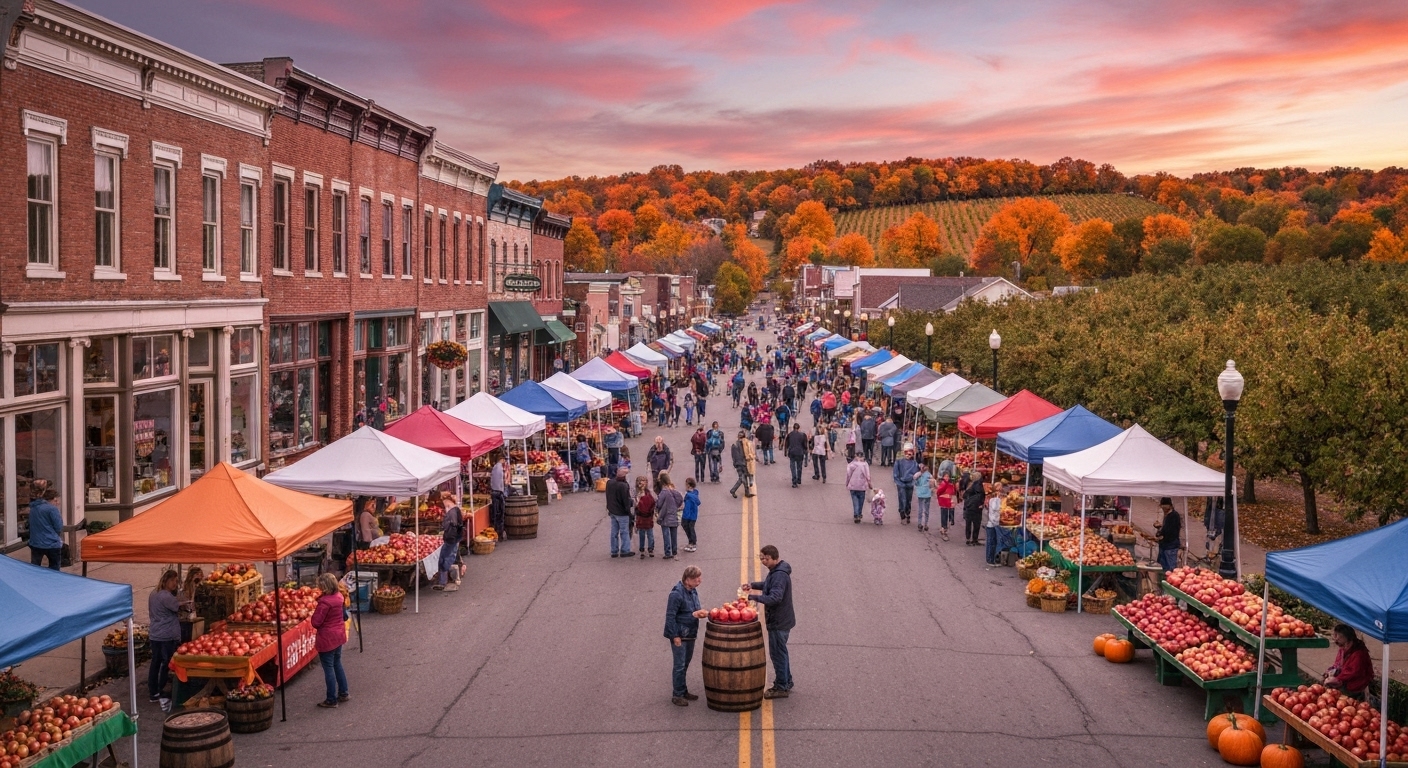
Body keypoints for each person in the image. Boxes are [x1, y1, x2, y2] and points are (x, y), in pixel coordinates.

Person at [743, 545, 794, 699]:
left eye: (765, 558)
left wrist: (753, 597)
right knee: (781, 652)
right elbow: (768, 585)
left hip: (779, 622)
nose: (763, 561)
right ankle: (787, 681)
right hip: (782, 620)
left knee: (778, 654)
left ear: (774, 557)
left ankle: (781, 686)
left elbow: (775, 597)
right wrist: (753, 586)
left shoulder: (779, 575)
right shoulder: (777, 572)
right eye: (761, 558)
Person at [665, 566, 710, 706]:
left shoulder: (692, 591)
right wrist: (675, 636)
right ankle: (677, 694)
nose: (700, 581)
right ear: (688, 579)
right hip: (680, 635)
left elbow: (694, 609)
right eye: (697, 579)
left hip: (690, 633)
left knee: (685, 663)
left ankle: (683, 690)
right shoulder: (676, 594)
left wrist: (699, 613)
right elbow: (670, 616)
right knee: (679, 665)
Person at [311, 573, 350, 708]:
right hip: (338, 635)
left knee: (328, 668)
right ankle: (344, 693)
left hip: (327, 638)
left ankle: (331, 699)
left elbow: (316, 622)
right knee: (337, 663)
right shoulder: (340, 597)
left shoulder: (324, 602)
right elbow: (345, 616)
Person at [148, 569, 182, 711]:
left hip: (155, 634)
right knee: (167, 664)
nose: (176, 584)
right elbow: (177, 607)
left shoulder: (153, 594)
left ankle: (153, 692)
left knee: (155, 663)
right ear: (167, 581)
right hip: (166, 635)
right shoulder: (166, 596)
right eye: (174, 581)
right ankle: (162, 690)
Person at [1324, 624, 1373, 699]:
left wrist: (1338, 679)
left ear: (1345, 637)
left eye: (1337, 635)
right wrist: (1331, 671)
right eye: (1335, 635)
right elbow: (1338, 664)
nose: (1335, 639)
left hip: (1356, 684)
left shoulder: (1359, 653)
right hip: (1345, 680)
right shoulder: (1343, 648)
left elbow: (1352, 671)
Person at [27, 487, 63, 570]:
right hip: (51, 543)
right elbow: (58, 526)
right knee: (54, 568)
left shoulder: (33, 508)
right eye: (56, 500)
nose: (58, 503)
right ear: (53, 499)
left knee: (35, 567)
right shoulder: (52, 509)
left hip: (35, 542)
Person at [434, 495, 464, 591]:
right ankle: (447, 580)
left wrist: (449, 539)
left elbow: (452, 527)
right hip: (454, 539)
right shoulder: (455, 511)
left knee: (445, 559)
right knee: (448, 558)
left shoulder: (452, 513)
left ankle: (445, 582)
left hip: (451, 539)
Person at [606, 467, 635, 558]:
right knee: (624, 532)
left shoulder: (609, 483)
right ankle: (625, 550)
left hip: (612, 511)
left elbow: (608, 496)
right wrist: (630, 511)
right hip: (622, 513)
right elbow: (626, 501)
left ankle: (614, 551)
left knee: (614, 532)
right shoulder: (623, 486)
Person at [656, 473, 684, 560]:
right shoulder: (674, 491)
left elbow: (659, 503)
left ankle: (668, 552)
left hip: (665, 516)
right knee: (674, 534)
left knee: (666, 535)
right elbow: (680, 499)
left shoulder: (663, 492)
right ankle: (674, 550)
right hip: (673, 515)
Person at [892, 444, 920, 525]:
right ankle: (902, 515)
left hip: (910, 483)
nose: (908, 455)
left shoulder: (914, 463)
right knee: (902, 499)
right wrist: (899, 483)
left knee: (908, 500)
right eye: (907, 453)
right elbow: (895, 474)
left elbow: (917, 472)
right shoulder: (899, 462)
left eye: (910, 453)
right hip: (901, 484)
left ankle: (907, 513)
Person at [1153, 497, 1182, 572]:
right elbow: (1166, 529)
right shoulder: (1167, 516)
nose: (1163, 508)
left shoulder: (1174, 516)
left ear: (1170, 506)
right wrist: (1160, 529)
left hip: (1170, 546)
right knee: (1163, 568)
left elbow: (1172, 531)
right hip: (1164, 546)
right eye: (1162, 506)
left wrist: (1162, 536)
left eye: (1164, 506)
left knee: (1171, 568)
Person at [845, 451, 872, 524]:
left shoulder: (851, 465)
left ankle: (856, 514)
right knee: (861, 500)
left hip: (853, 485)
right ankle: (859, 513)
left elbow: (848, 475)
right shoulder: (865, 464)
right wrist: (869, 483)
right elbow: (868, 475)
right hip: (862, 486)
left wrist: (847, 483)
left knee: (855, 500)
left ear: (855, 456)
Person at [178, 567, 204, 642]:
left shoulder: (200, 587)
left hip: (193, 615)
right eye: (197, 574)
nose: (199, 576)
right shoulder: (186, 585)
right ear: (191, 575)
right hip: (186, 616)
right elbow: (187, 599)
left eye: (200, 574)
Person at [985, 482, 1007, 565]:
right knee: (991, 542)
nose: (1000, 490)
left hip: (994, 523)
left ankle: (991, 559)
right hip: (992, 523)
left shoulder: (993, 499)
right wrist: (999, 499)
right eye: (999, 488)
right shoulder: (993, 499)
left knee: (993, 542)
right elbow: (995, 508)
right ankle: (990, 560)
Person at [634, 476, 656, 558]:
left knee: (642, 534)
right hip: (648, 517)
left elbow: (635, 506)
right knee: (649, 534)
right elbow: (654, 502)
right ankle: (649, 549)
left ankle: (643, 550)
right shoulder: (649, 493)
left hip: (640, 517)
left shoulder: (637, 494)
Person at [962, 472, 986, 546]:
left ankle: (968, 539)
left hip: (969, 507)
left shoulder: (970, 484)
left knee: (968, 524)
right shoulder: (979, 485)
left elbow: (965, 496)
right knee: (976, 524)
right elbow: (981, 496)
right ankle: (974, 539)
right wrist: (981, 504)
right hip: (976, 507)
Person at [490, 453, 508, 539]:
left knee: (496, 513)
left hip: (494, 491)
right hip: (498, 492)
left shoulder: (495, 467)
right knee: (500, 513)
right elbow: (500, 481)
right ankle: (499, 533)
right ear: (502, 459)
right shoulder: (499, 467)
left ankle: (497, 532)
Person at [785, 422, 809, 488]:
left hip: (792, 452)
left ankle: (794, 481)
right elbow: (805, 445)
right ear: (799, 428)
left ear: (793, 428)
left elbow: (787, 444)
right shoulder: (803, 435)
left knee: (793, 467)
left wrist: (785, 452)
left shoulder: (790, 435)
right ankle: (799, 479)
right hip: (800, 452)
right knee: (799, 467)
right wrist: (805, 451)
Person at [935, 473, 957, 542]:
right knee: (944, 516)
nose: (947, 478)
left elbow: (953, 492)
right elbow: (938, 492)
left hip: (949, 502)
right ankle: (944, 529)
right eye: (945, 476)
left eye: (948, 476)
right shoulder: (943, 483)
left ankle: (945, 529)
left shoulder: (950, 484)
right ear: (943, 477)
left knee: (949, 516)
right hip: (944, 502)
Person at [681, 478, 700, 552]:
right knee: (689, 527)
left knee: (690, 528)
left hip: (688, 515)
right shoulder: (695, 493)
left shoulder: (689, 495)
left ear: (688, 485)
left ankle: (693, 543)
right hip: (692, 515)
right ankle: (691, 542)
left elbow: (696, 502)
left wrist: (686, 495)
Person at [914, 464, 934, 532]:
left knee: (925, 510)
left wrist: (931, 489)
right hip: (922, 493)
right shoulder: (918, 474)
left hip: (926, 493)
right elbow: (915, 481)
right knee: (922, 509)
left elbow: (932, 484)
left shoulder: (929, 475)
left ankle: (925, 523)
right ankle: (920, 523)